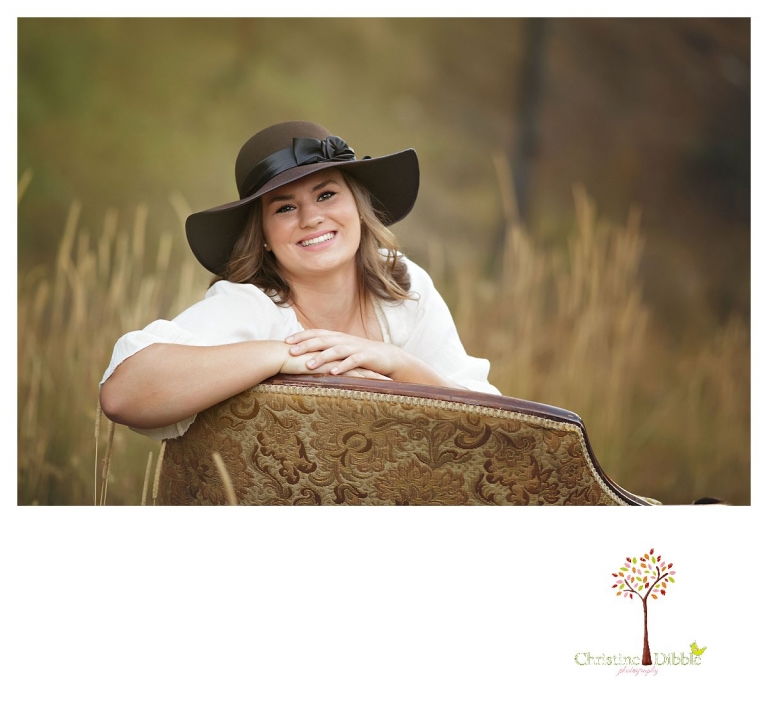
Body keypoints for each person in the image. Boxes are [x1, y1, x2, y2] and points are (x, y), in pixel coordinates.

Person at [100, 121, 499, 441]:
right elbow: (123, 394)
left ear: (358, 208)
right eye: (286, 207)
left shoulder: (405, 286)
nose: (311, 218)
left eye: (326, 195)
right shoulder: (253, 305)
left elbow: (492, 423)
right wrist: (287, 358)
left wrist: (396, 362)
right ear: (265, 238)